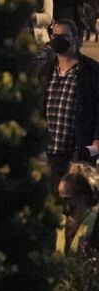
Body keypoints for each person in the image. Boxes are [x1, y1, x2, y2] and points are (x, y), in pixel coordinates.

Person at [40, 20, 99, 187]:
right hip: (51, 151)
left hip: (78, 153)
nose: (58, 40)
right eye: (55, 36)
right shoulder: (47, 70)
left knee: (78, 200)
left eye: (64, 36)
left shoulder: (91, 71)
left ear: (75, 39)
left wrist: (96, 141)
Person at [56, 163, 99, 257]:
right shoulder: (57, 223)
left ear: (82, 197)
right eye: (60, 197)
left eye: (67, 198)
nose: (62, 203)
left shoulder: (95, 224)